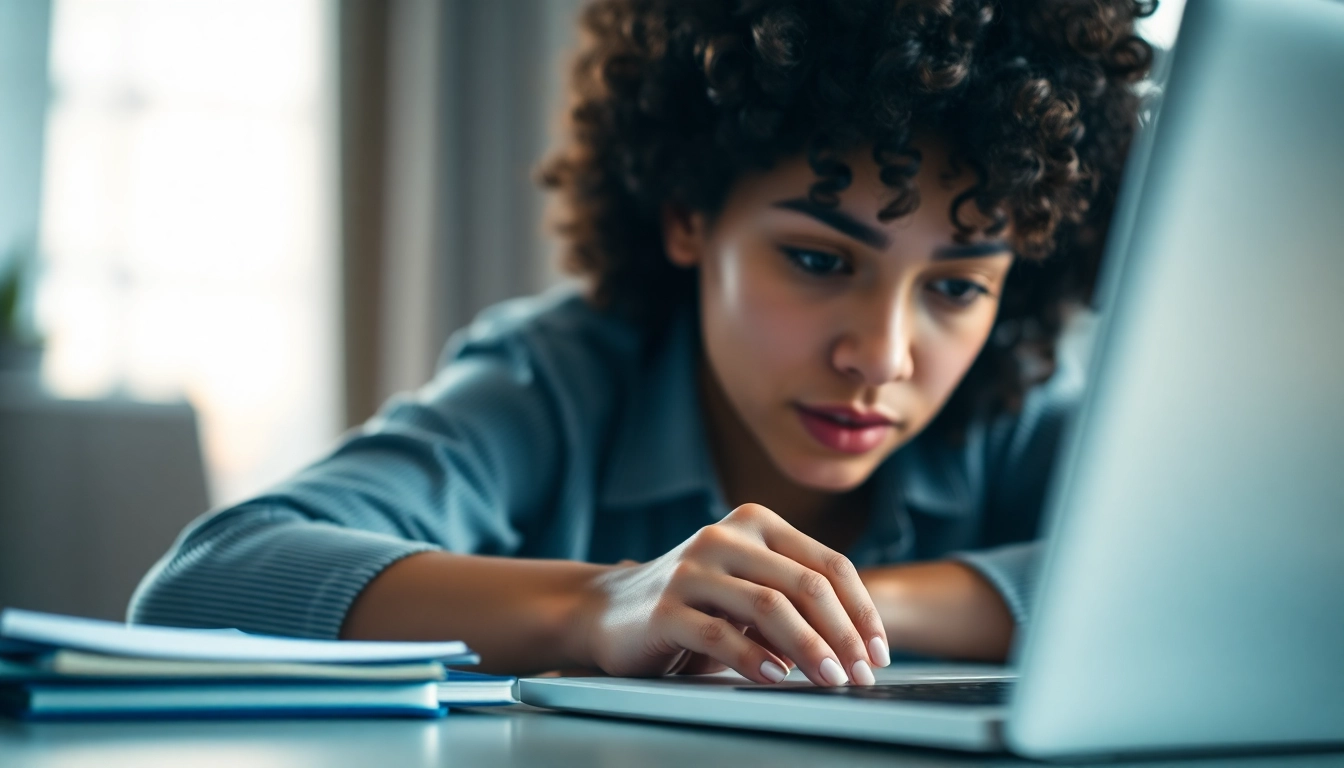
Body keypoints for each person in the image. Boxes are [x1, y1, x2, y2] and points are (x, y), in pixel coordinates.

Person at [131, 0, 1155, 688]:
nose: (883, 356)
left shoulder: (1011, 414)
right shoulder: (556, 386)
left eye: (957, 287)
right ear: (687, 216)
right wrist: (601, 604)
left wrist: (846, 607)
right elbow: (203, 585)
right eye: (816, 260)